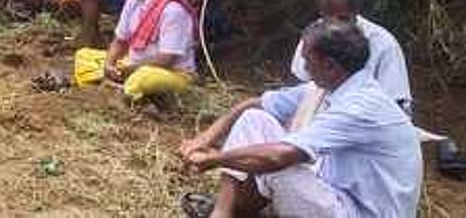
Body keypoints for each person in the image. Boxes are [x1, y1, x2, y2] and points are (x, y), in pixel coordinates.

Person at [178, 20, 422, 218]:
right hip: (343, 199)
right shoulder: (339, 87)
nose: (304, 68)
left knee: (278, 166)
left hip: (361, 212)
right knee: (255, 120)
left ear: (330, 66)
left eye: (307, 60)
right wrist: (206, 139)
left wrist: (216, 159)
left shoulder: (360, 106)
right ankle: (223, 212)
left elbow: (279, 157)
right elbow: (256, 106)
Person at [72, 0, 196, 101]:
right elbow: (119, 41)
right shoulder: (132, 2)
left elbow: (167, 59)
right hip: (131, 64)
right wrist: (109, 64)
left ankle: (123, 92)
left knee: (143, 78)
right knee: (83, 56)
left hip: (169, 72)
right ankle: (119, 84)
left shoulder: (173, 10)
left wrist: (133, 68)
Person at [289, 0, 411, 113]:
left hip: (369, 115)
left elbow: (397, 101)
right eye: (331, 19)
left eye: (343, 18)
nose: (338, 26)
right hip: (322, 113)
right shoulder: (312, 36)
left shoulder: (384, 44)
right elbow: (301, 85)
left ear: (356, 13)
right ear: (322, 15)